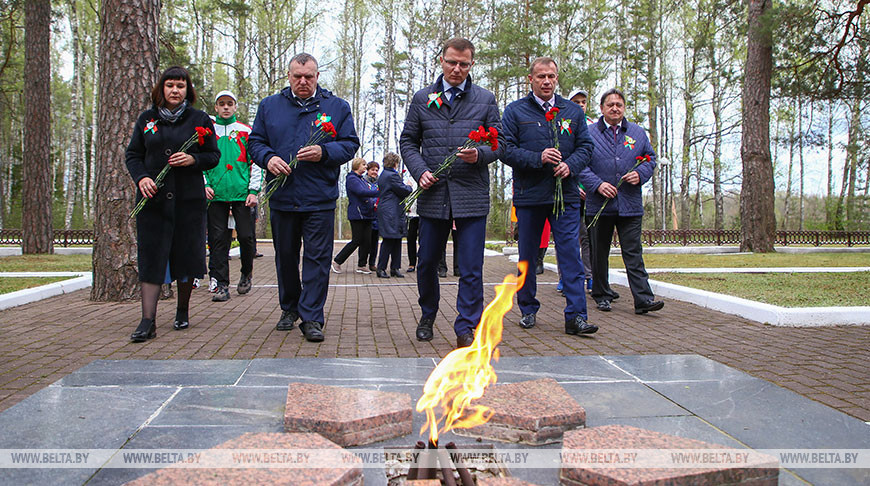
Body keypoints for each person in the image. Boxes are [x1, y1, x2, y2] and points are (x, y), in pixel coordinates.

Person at [248, 53, 360, 342]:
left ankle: (311, 316)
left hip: (319, 198)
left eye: (309, 76)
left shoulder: (337, 107)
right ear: (288, 76)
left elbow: (349, 144)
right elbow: (255, 142)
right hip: (283, 196)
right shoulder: (270, 106)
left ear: (317, 76)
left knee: (318, 259)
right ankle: (289, 307)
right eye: (297, 76)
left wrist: (324, 153)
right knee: (285, 257)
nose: (303, 82)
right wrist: (268, 158)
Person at [400, 37, 504, 349]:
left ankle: (466, 327)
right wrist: (420, 171)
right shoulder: (422, 98)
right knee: (427, 261)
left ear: (472, 65)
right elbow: (408, 141)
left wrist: (480, 155)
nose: (457, 69)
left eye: (464, 64)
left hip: (471, 195)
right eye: (451, 62)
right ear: (442, 61)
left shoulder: (485, 99)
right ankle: (427, 314)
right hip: (433, 195)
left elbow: (499, 143)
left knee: (471, 267)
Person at [501, 57, 597, 336]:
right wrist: (538, 158)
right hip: (530, 196)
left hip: (564, 195)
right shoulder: (516, 111)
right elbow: (505, 150)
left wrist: (572, 165)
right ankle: (528, 308)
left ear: (557, 79)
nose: (546, 81)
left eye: (551, 77)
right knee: (528, 256)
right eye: (541, 76)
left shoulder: (571, 111)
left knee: (570, 255)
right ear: (530, 79)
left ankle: (576, 316)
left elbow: (586, 147)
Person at [125, 66, 220, 342]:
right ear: (161, 89)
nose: (175, 91)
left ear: (187, 89)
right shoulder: (147, 119)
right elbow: (133, 155)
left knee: (186, 256)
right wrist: (141, 177)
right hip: (153, 200)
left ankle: (182, 310)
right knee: (152, 256)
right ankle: (147, 320)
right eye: (170, 86)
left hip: (188, 200)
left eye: (180, 86)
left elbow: (213, 155)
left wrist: (193, 160)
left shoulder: (199, 119)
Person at [579, 88, 663, 315]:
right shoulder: (588, 134)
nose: (615, 108)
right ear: (602, 108)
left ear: (624, 108)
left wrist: (641, 174)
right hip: (599, 206)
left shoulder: (637, 133)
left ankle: (643, 299)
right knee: (599, 253)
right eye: (610, 105)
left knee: (633, 252)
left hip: (630, 204)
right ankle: (601, 294)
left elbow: (650, 159)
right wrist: (597, 185)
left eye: (619, 104)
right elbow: (580, 164)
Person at [205, 90, 263, 302]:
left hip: (242, 194)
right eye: (222, 104)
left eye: (230, 103)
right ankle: (221, 284)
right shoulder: (208, 133)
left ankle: (246, 273)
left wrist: (253, 190)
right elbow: (201, 161)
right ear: (216, 108)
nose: (226, 107)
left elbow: (255, 162)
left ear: (236, 107)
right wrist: (205, 184)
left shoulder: (246, 131)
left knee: (246, 237)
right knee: (218, 240)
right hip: (216, 195)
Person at [332, 157, 378, 274]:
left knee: (367, 240)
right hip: (357, 213)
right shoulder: (352, 179)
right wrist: (380, 191)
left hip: (367, 214)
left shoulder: (361, 179)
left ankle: (362, 265)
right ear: (357, 165)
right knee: (357, 240)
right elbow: (361, 193)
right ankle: (337, 261)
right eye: (364, 165)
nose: (365, 167)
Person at [375, 153, 412, 278]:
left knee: (396, 238)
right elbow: (403, 190)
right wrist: (409, 186)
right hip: (391, 211)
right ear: (395, 163)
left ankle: (395, 268)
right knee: (390, 238)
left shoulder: (384, 174)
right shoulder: (392, 176)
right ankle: (381, 268)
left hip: (390, 210)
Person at [364, 161, 380, 272]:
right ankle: (363, 262)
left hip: (377, 217)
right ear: (368, 171)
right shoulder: (363, 182)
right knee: (365, 241)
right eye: (373, 170)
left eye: (376, 170)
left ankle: (372, 263)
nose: (375, 172)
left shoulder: (380, 183)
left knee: (375, 241)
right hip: (366, 215)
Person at [405, 172, 420, 272]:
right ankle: (412, 263)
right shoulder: (409, 180)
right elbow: (406, 195)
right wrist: (407, 206)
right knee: (411, 238)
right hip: (412, 215)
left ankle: (423, 262)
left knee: (424, 240)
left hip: (423, 214)